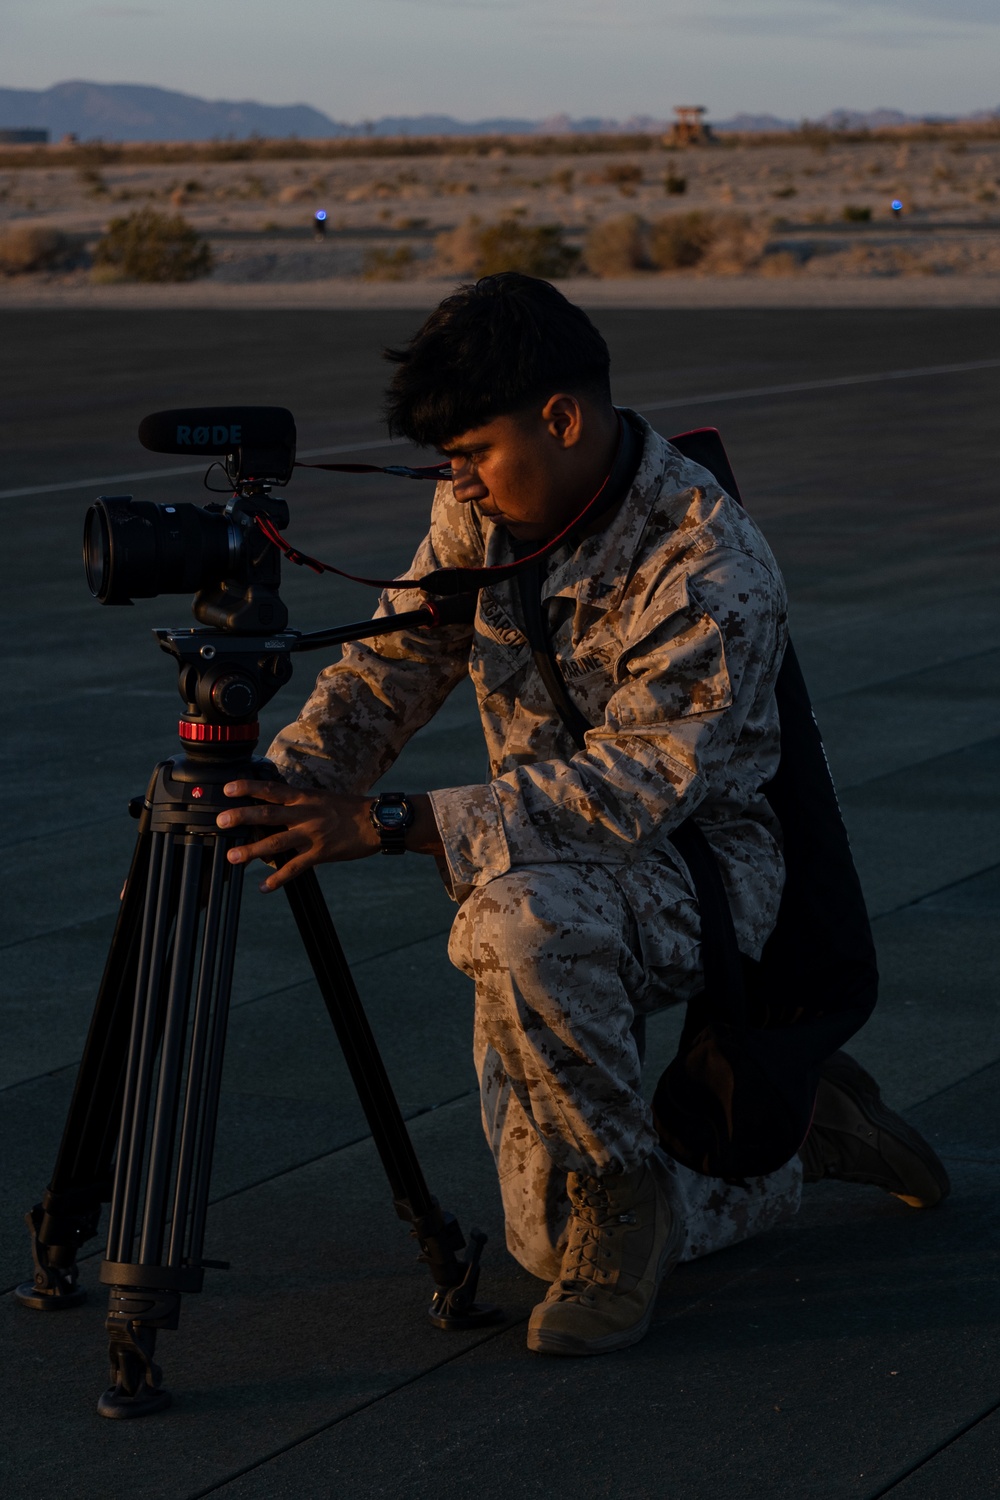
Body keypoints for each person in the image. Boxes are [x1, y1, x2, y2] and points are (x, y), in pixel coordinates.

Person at [215, 273, 949, 1357]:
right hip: (538, 851)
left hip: (697, 870)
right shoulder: (488, 506)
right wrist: (276, 789)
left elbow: (632, 790)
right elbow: (400, 658)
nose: (455, 482)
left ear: (560, 418)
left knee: (514, 921)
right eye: (446, 461)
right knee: (538, 1244)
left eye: (469, 452)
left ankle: (627, 1187)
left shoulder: (707, 566)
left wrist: (388, 822)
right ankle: (802, 1139)